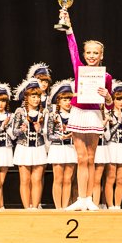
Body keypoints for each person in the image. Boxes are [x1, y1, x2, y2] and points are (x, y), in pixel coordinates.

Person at [58, 8, 114, 212]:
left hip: (94, 116)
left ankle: (89, 199)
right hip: (78, 114)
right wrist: (68, 26)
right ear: (84, 54)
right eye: (88, 52)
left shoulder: (106, 77)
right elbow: (71, 47)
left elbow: (109, 105)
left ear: (101, 55)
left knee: (91, 158)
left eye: (95, 53)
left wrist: (107, 97)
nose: (91, 56)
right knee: (80, 158)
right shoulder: (79, 69)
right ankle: (81, 199)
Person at [9, 78, 48, 210]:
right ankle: (26, 209)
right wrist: (22, 130)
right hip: (23, 148)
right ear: (27, 98)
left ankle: (35, 208)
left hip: (39, 147)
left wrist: (40, 130)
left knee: (37, 180)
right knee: (25, 180)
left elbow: (48, 132)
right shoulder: (20, 112)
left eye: (38, 96)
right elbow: (13, 132)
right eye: (33, 96)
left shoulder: (44, 112)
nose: (36, 99)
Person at [45, 79, 77, 209]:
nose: (68, 102)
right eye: (65, 100)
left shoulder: (75, 115)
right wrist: (62, 137)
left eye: (70, 99)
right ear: (58, 101)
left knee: (68, 179)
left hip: (71, 148)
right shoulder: (53, 116)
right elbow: (49, 135)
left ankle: (65, 207)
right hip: (58, 148)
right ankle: (58, 208)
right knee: (58, 179)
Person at [105, 81, 122, 210]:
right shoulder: (108, 114)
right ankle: (110, 206)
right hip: (112, 146)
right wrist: (119, 122)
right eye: (118, 99)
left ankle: (118, 206)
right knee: (111, 178)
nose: (121, 102)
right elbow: (107, 135)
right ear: (113, 100)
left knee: (121, 179)